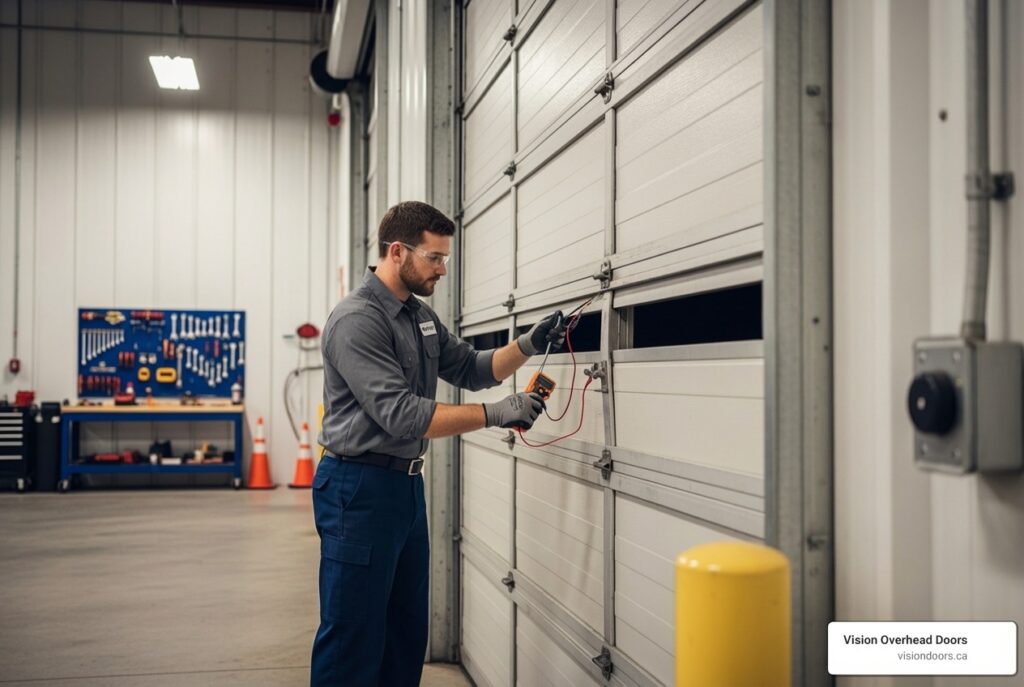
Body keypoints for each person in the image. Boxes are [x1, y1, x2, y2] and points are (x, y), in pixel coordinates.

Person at [311, 200, 566, 686]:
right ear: (396, 251)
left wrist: (529, 344)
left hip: (404, 492)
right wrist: (496, 414)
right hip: (356, 491)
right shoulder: (357, 321)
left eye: (445, 258)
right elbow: (400, 413)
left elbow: (471, 368)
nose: (443, 269)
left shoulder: (418, 317)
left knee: (405, 634)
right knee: (352, 638)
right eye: (434, 258)